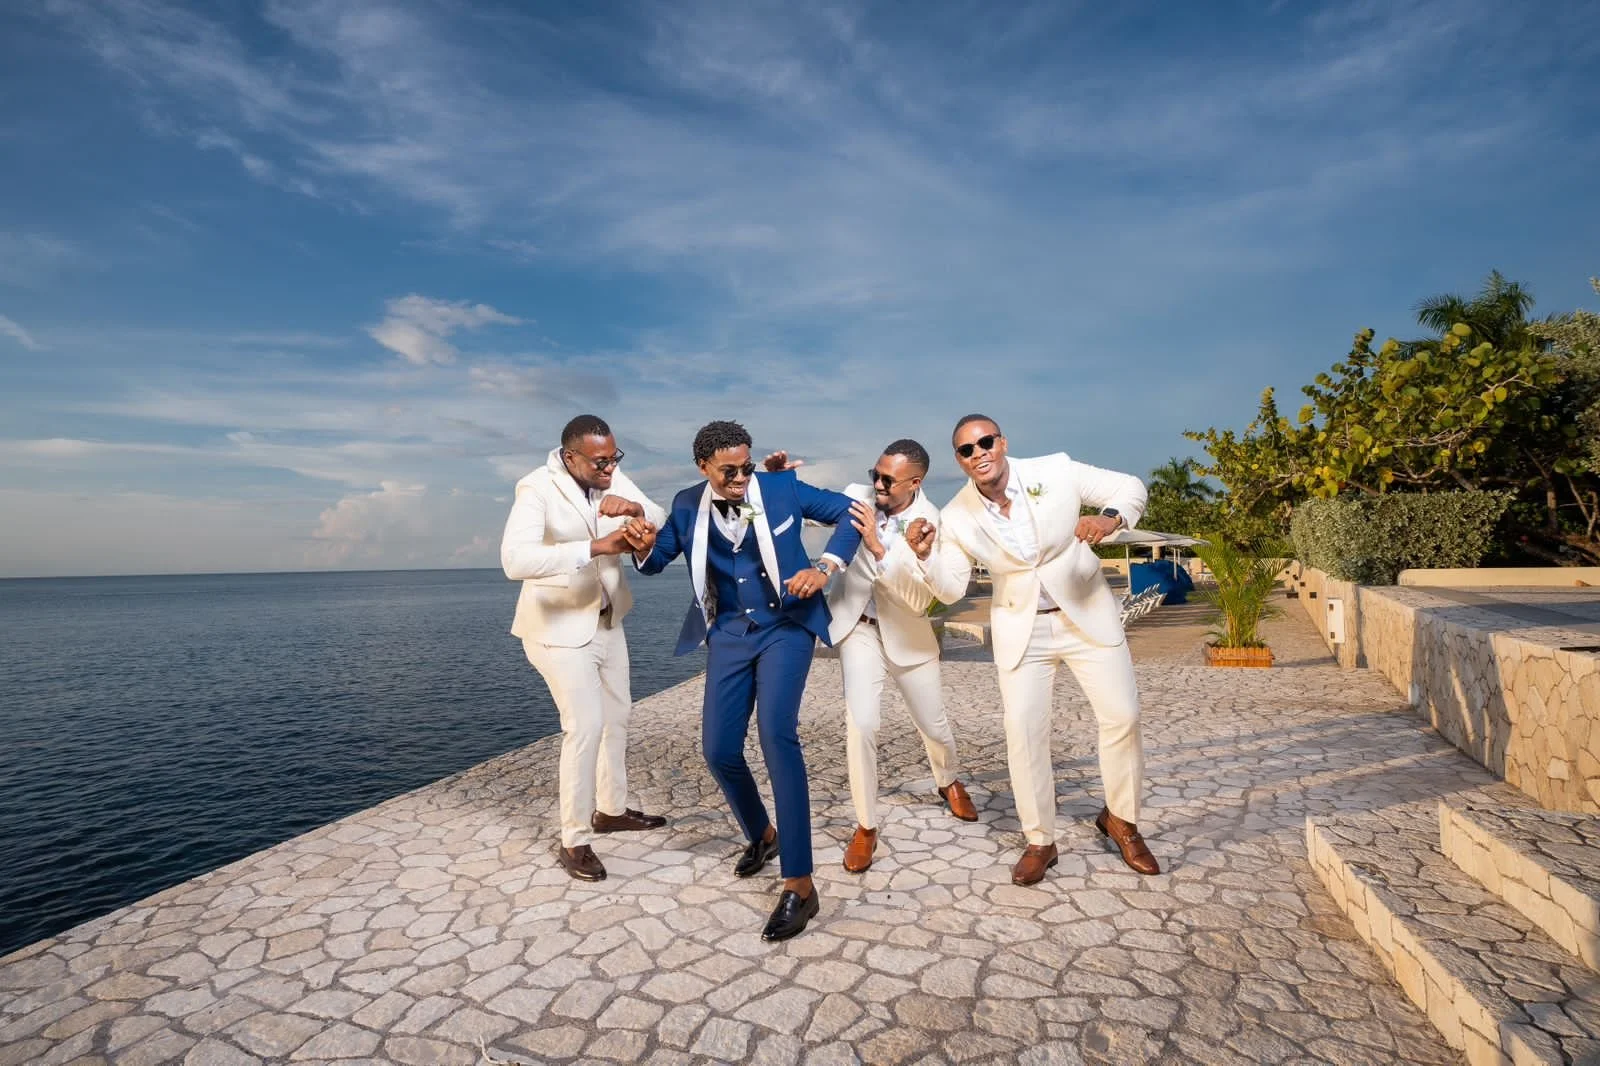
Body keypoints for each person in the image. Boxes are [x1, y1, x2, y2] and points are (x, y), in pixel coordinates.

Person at [630, 420, 861, 941]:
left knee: (777, 736)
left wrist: (825, 565)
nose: (739, 479)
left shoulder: (779, 488)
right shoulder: (688, 503)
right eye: (727, 471)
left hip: (786, 625)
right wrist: (641, 544)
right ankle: (762, 832)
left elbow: (851, 514)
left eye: (745, 467)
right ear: (703, 468)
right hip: (730, 633)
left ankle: (800, 884)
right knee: (717, 749)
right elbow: (653, 561)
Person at [905, 414, 1160, 884]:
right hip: (1022, 630)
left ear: (1001, 443)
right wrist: (925, 556)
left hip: (1085, 614)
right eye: (966, 449)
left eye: (985, 442)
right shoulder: (956, 516)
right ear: (960, 461)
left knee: (1123, 716)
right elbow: (952, 587)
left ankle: (1121, 820)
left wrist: (1110, 518)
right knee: (1024, 735)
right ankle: (1040, 839)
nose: (978, 452)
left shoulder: (1056, 470)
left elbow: (1130, 486)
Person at [783, 440, 979, 872]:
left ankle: (948, 779)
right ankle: (866, 825)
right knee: (862, 723)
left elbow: (919, 599)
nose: (877, 484)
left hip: (909, 634)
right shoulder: (857, 496)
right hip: (857, 629)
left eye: (887, 479)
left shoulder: (934, 524)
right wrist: (782, 477)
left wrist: (877, 545)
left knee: (935, 725)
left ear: (915, 482)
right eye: (875, 473)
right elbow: (809, 506)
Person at [500, 415, 668, 883]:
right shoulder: (534, 488)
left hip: (608, 622)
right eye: (600, 461)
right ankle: (574, 838)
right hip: (557, 628)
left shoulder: (607, 472)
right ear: (571, 457)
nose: (610, 467)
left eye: (615, 458)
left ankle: (610, 811)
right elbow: (515, 560)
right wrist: (595, 546)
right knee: (585, 726)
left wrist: (633, 508)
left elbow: (658, 515)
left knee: (618, 716)